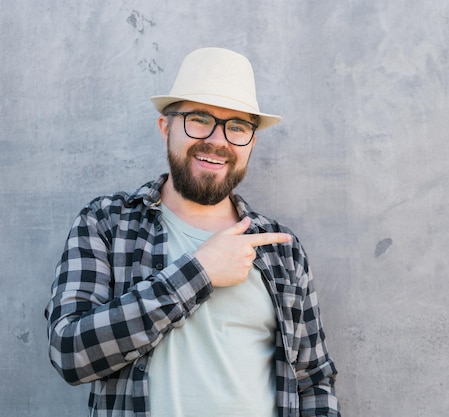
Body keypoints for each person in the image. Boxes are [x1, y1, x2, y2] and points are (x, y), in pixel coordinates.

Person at [45, 47, 340, 417]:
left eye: (237, 127)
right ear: (165, 127)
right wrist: (197, 273)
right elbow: (70, 353)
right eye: (199, 119)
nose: (218, 141)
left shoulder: (282, 250)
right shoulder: (106, 223)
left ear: (251, 142)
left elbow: (313, 380)